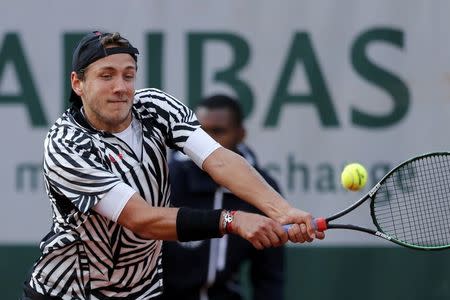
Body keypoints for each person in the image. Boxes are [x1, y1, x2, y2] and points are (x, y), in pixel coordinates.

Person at [21, 31, 324, 300]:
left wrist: (281, 210)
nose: (121, 87)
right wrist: (231, 220)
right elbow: (141, 220)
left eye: (128, 75)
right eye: (106, 76)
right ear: (78, 83)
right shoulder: (65, 144)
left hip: (143, 292)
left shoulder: (155, 106)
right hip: (67, 294)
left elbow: (218, 159)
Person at [162, 95, 285, 300]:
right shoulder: (166, 179)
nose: (207, 141)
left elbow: (269, 277)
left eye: (218, 131)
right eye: (200, 132)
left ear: (241, 134)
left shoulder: (263, 188)